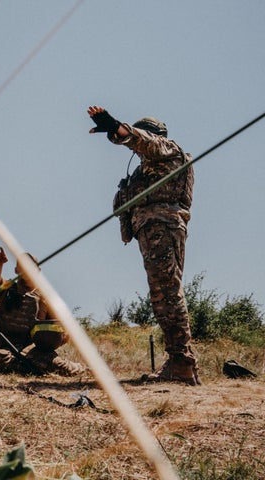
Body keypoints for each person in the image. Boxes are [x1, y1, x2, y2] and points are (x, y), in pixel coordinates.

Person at [87, 105, 200, 385]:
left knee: (167, 294)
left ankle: (182, 363)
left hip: (161, 225)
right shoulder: (148, 168)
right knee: (163, 294)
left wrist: (119, 130)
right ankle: (180, 362)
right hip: (153, 228)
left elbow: (146, 141)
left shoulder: (167, 149)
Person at [0, 247, 86, 377]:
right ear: (16, 270)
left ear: (38, 270)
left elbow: (61, 330)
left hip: (35, 352)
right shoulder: (6, 289)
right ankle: (28, 367)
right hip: (7, 351)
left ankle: (84, 369)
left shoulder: (45, 299)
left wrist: (58, 338)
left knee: (62, 368)